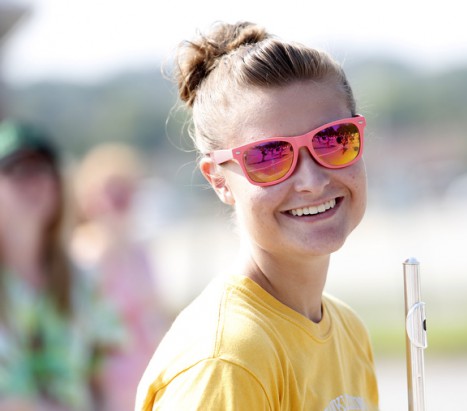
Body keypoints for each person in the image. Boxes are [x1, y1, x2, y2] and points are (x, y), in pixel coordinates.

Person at [135, 21, 379, 410]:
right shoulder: (226, 361)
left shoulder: (349, 331)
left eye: (333, 139)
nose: (312, 181)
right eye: (269, 156)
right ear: (220, 181)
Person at [0, 120, 122, 411]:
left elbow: (110, 375)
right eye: (17, 169)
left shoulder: (85, 280)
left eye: (45, 169)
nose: (35, 180)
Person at [70, 142, 168, 411]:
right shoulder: (82, 255)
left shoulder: (141, 252)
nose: (121, 199)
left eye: (126, 190)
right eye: (112, 191)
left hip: (146, 376)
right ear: (89, 196)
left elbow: (155, 317)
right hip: (105, 389)